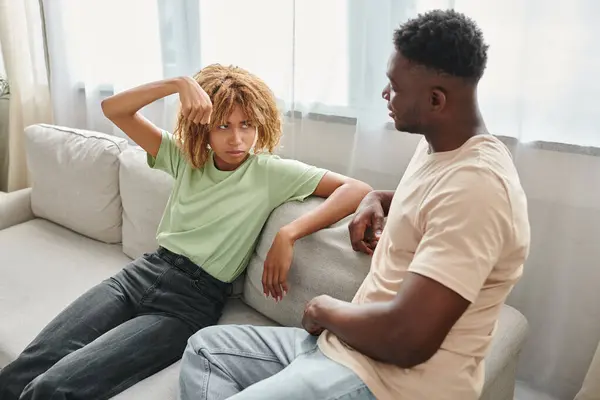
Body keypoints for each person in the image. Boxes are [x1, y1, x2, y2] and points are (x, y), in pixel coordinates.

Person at [178, 9, 530, 400]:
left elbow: (408, 340)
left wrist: (322, 309)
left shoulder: (479, 188)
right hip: (340, 350)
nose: (384, 94)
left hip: (385, 381)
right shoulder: (440, 151)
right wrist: (377, 197)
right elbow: (432, 207)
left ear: (435, 99)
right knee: (205, 348)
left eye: (394, 86)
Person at [0, 65, 372, 399]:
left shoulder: (269, 173)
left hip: (188, 304)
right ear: (203, 126)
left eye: (247, 125)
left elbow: (356, 188)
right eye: (223, 125)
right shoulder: (185, 158)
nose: (237, 139)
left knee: (54, 387)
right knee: (29, 365)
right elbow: (114, 109)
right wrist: (179, 83)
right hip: (139, 275)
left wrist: (288, 233)